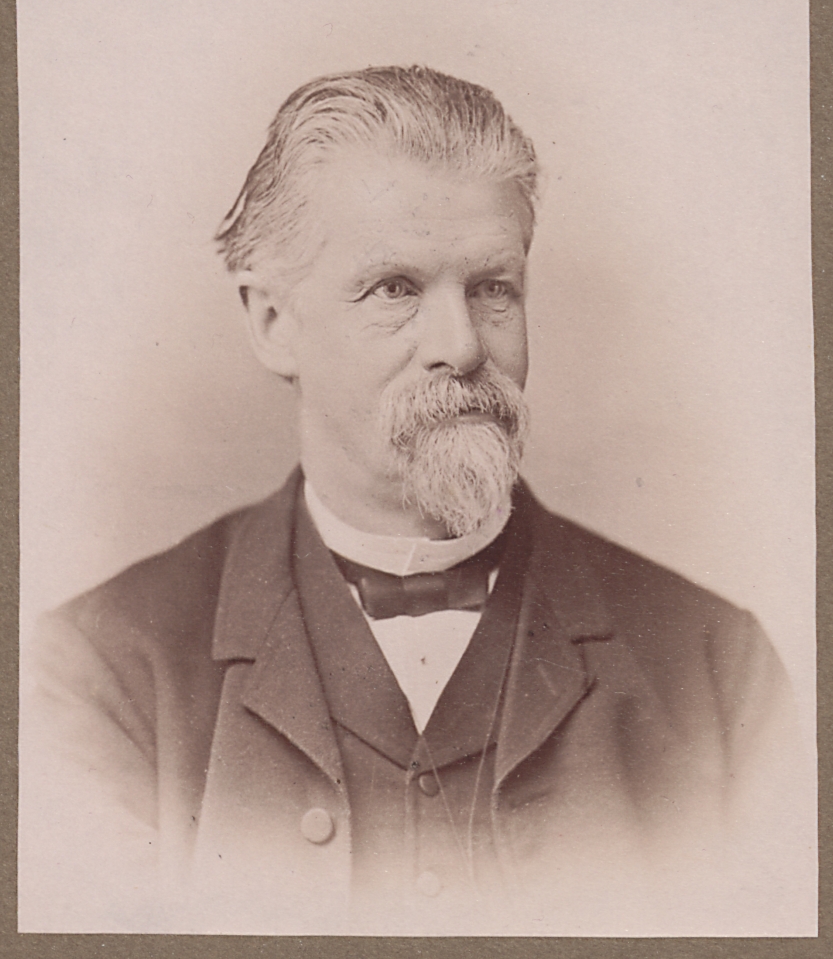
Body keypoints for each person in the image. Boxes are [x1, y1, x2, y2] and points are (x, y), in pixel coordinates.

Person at [20, 66, 813, 936]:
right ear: (271, 323)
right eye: (394, 289)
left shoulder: (715, 670)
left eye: (492, 288)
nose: (462, 346)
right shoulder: (103, 672)